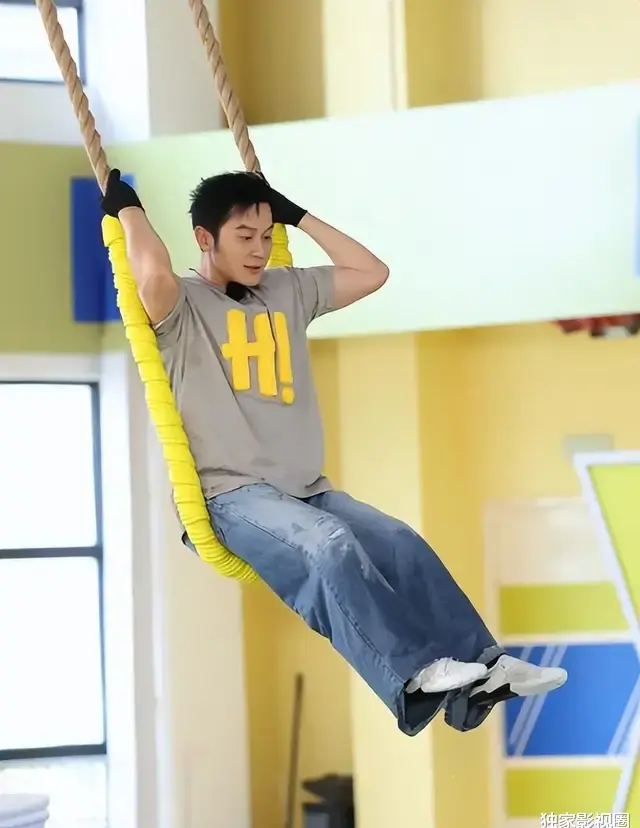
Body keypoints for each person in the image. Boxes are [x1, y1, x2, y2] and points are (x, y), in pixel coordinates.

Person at [100, 168, 567, 736]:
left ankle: (485, 669)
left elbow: (372, 273)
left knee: (400, 542)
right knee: (330, 544)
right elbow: (150, 271)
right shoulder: (181, 308)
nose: (259, 249)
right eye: (244, 236)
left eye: (266, 235)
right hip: (233, 495)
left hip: (306, 489)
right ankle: (414, 673)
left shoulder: (287, 290)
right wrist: (127, 208)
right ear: (205, 238)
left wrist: (297, 216)